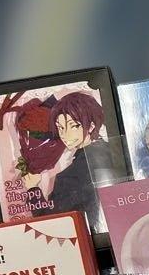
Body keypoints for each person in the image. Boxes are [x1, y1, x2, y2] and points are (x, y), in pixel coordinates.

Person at [47, 91, 117, 227]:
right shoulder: (111, 150)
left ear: (91, 126)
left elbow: (53, 222)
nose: (64, 134)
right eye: (60, 127)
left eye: (73, 126)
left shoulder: (68, 177)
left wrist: (33, 190)